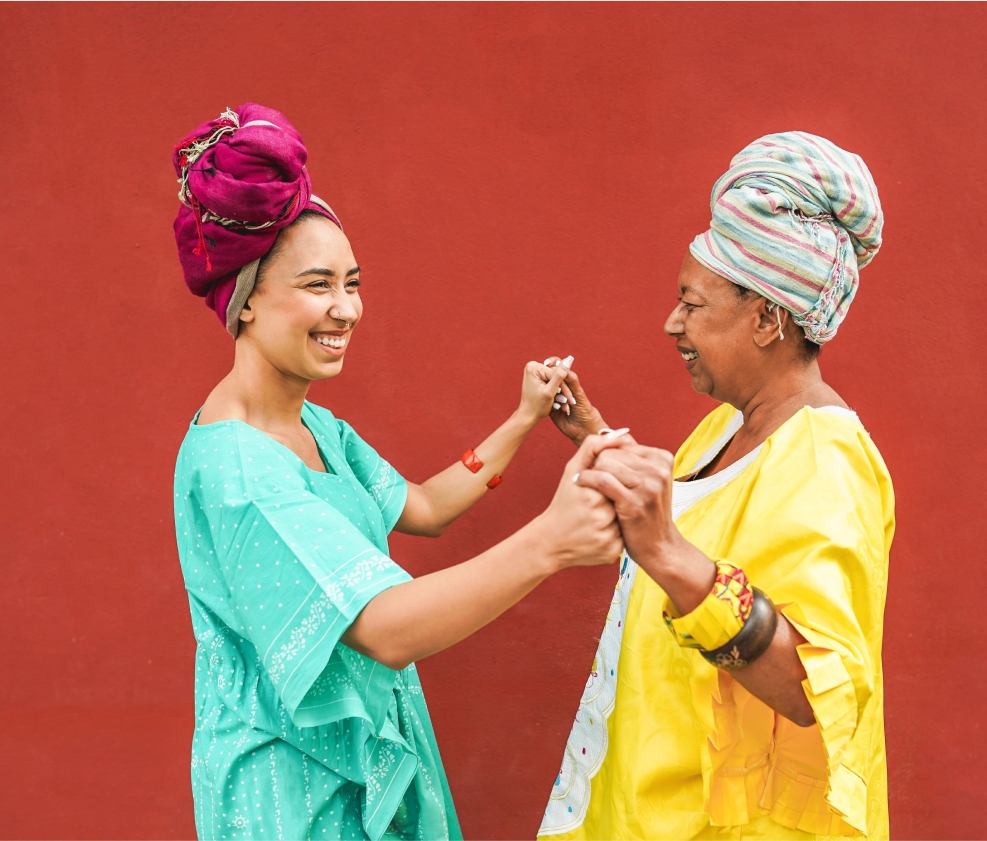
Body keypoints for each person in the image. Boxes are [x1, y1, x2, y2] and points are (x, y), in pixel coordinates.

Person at [171, 104, 626, 841]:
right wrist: (553, 539)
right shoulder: (240, 471)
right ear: (245, 296)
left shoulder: (312, 424)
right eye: (318, 285)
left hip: (352, 768)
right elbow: (382, 628)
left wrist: (522, 417)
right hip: (292, 798)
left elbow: (423, 506)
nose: (346, 309)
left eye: (353, 283)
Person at [538, 132, 894, 840]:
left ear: (767, 318)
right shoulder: (723, 430)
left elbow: (812, 686)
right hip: (645, 808)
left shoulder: (827, 460)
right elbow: (703, 530)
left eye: (693, 305)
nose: (673, 324)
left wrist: (666, 551)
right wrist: (597, 439)